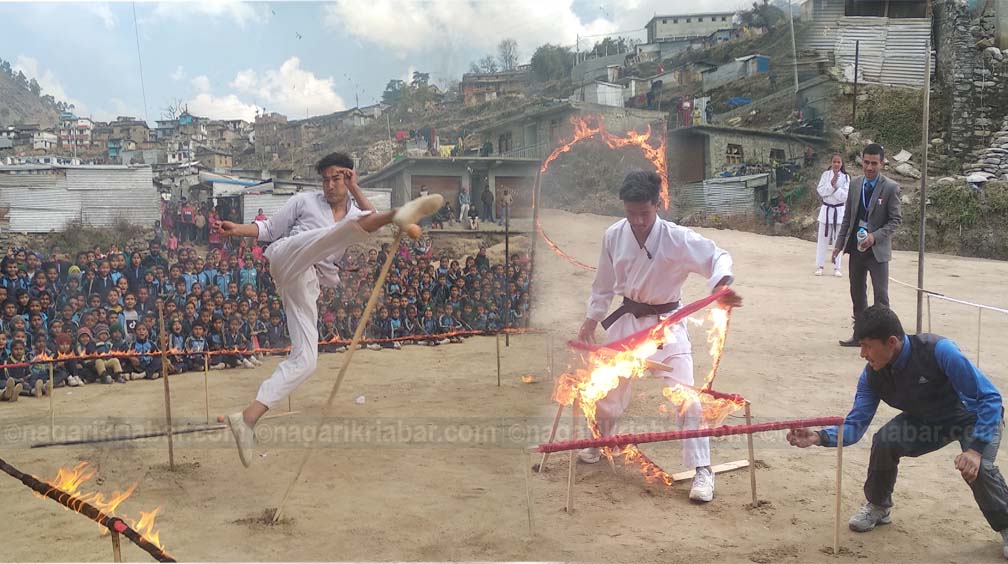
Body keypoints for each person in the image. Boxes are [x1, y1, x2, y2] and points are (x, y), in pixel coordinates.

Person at [216, 151, 442, 467]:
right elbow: (268, 230)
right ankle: (398, 213)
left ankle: (248, 418)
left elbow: (367, 220)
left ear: (349, 178)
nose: (330, 184)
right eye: (326, 179)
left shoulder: (354, 211)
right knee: (336, 232)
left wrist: (357, 190)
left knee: (307, 360)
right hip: (287, 255)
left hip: (307, 280)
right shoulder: (304, 201)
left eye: (337, 178)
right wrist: (237, 229)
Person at [787, 306, 1008, 559]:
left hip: (973, 418)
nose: (862, 354)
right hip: (927, 421)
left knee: (977, 469)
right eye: (860, 346)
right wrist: (819, 436)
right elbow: (854, 426)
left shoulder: (939, 351)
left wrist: (975, 449)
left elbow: (990, 397)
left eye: (868, 346)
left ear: (891, 342)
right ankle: (879, 506)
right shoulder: (872, 376)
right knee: (885, 440)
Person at [576, 171, 742, 503]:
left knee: (688, 399)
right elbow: (604, 284)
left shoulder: (677, 238)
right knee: (606, 394)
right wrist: (591, 319)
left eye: (644, 213)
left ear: (658, 204)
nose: (637, 221)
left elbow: (717, 257)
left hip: (667, 325)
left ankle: (702, 470)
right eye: (631, 212)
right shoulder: (613, 235)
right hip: (626, 325)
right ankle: (599, 439)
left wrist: (721, 286)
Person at [833, 144, 902, 347]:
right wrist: (838, 245)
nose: (869, 167)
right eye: (866, 162)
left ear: (881, 163)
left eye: (874, 163)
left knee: (881, 296)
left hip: (877, 251)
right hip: (856, 248)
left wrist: (875, 237)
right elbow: (848, 217)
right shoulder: (854, 184)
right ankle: (859, 336)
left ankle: (883, 339)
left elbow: (895, 220)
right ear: (861, 161)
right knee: (857, 292)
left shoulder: (890, 187)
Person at [815, 154, 850, 277]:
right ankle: (820, 266)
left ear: (841, 164)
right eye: (834, 162)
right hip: (826, 210)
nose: (836, 164)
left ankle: (837, 267)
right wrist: (831, 185)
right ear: (831, 162)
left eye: (838, 162)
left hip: (839, 211)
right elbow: (821, 192)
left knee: (838, 241)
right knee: (822, 240)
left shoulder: (846, 177)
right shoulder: (825, 175)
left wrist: (835, 187)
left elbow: (845, 196)